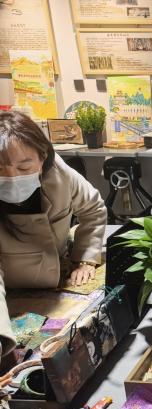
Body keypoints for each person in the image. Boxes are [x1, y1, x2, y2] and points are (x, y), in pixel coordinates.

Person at [0, 111, 107, 357]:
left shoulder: (60, 175)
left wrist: (85, 257)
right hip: (8, 290)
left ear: (42, 157)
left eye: (24, 166)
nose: (13, 178)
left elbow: (93, 208)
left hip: (57, 278)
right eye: (0, 169)